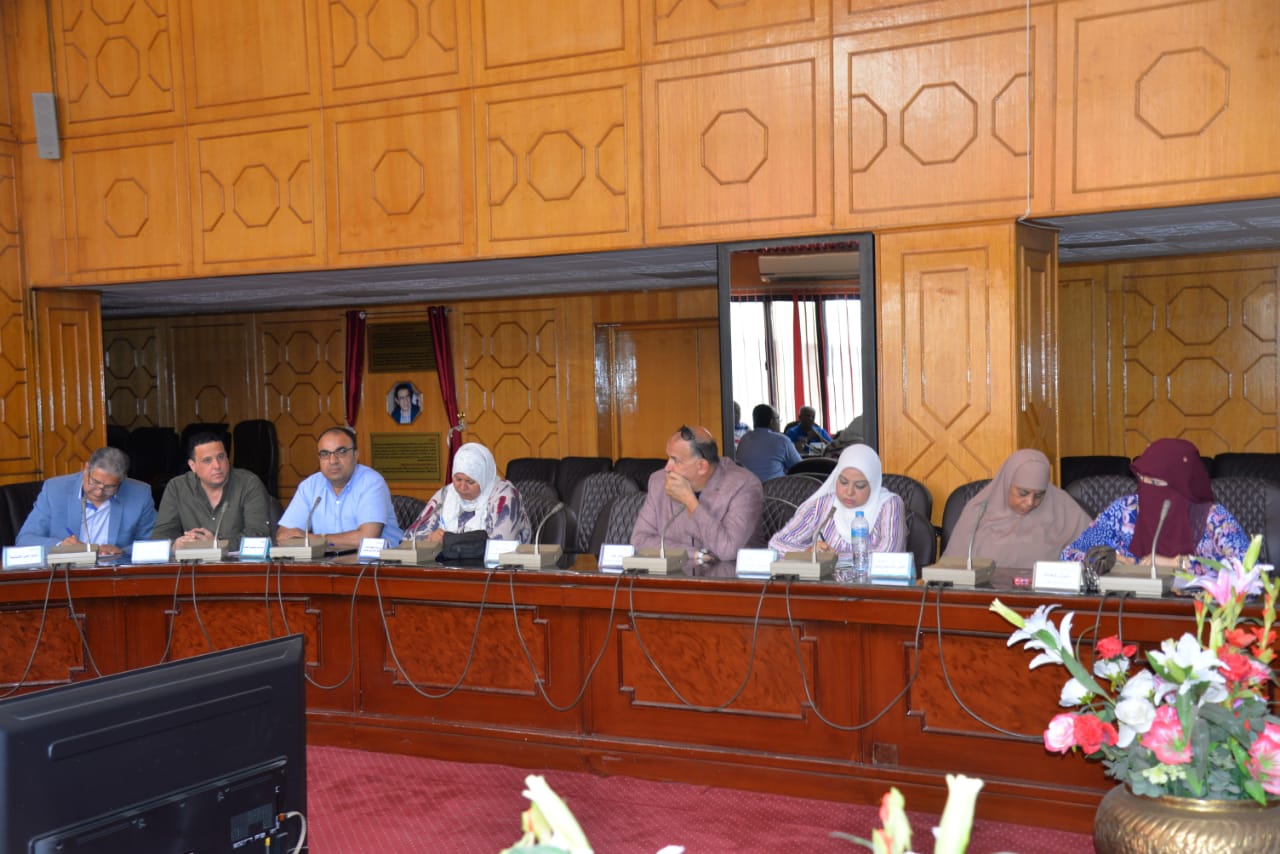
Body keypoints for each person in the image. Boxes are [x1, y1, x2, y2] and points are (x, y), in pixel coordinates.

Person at [1060, 438, 1249, 574]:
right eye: (1142, 480)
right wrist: (1108, 560)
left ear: (1182, 487)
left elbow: (1246, 569)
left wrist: (1177, 564)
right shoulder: (1126, 510)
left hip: (1196, 612)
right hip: (1130, 608)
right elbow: (1068, 556)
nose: (1146, 490)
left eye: (1155, 483)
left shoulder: (1212, 518)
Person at [631, 425, 763, 577]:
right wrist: (694, 553)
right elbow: (639, 540)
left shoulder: (743, 485)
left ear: (701, 466)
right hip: (674, 579)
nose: (667, 468)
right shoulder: (658, 481)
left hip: (733, 581)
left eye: (675, 460)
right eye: (668, 457)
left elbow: (727, 550)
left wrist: (690, 501)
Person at [944, 449, 1091, 567]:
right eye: (1023, 493)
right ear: (1007, 483)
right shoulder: (978, 512)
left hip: (1048, 593)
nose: (1030, 502)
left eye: (1039, 495)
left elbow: (1097, 551)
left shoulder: (1062, 507)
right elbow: (952, 568)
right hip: (986, 593)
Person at [768, 444, 905, 559]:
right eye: (843, 482)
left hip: (872, 583)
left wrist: (835, 557)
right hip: (824, 582)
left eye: (860, 486)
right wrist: (808, 552)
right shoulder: (823, 505)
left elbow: (889, 556)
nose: (849, 492)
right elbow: (775, 545)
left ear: (873, 484)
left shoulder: (889, 504)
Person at [275, 426, 402, 549]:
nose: (333, 461)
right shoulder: (309, 486)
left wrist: (312, 539)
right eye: (325, 454)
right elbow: (283, 535)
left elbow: (366, 538)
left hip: (380, 561)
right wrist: (310, 540)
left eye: (341, 452)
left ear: (356, 455)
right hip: (326, 560)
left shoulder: (371, 482)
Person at [17, 446, 156, 556]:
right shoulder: (54, 490)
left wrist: (123, 552)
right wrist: (61, 546)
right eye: (94, 482)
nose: (99, 492)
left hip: (115, 572)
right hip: (66, 572)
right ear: (86, 469)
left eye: (110, 487)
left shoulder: (139, 494)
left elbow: (155, 542)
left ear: (122, 480)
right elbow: (25, 540)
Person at [151, 432, 272, 547]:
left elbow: (258, 536)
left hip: (237, 561)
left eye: (221, 457)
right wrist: (175, 545)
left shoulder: (248, 483)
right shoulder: (177, 487)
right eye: (207, 460)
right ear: (193, 466)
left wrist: (216, 544)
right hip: (193, 560)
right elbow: (160, 537)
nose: (217, 466)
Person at [404, 443, 531, 543]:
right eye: (458, 479)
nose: (462, 487)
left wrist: (451, 541)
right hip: (450, 566)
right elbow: (408, 538)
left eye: (470, 481)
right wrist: (429, 538)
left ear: (484, 478)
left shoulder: (504, 496)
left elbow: (502, 543)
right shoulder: (446, 494)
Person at [736, 403, 801, 481]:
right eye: (778, 418)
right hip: (774, 487)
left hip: (746, 486)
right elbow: (799, 467)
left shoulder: (744, 438)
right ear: (771, 421)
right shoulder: (781, 440)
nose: (779, 422)